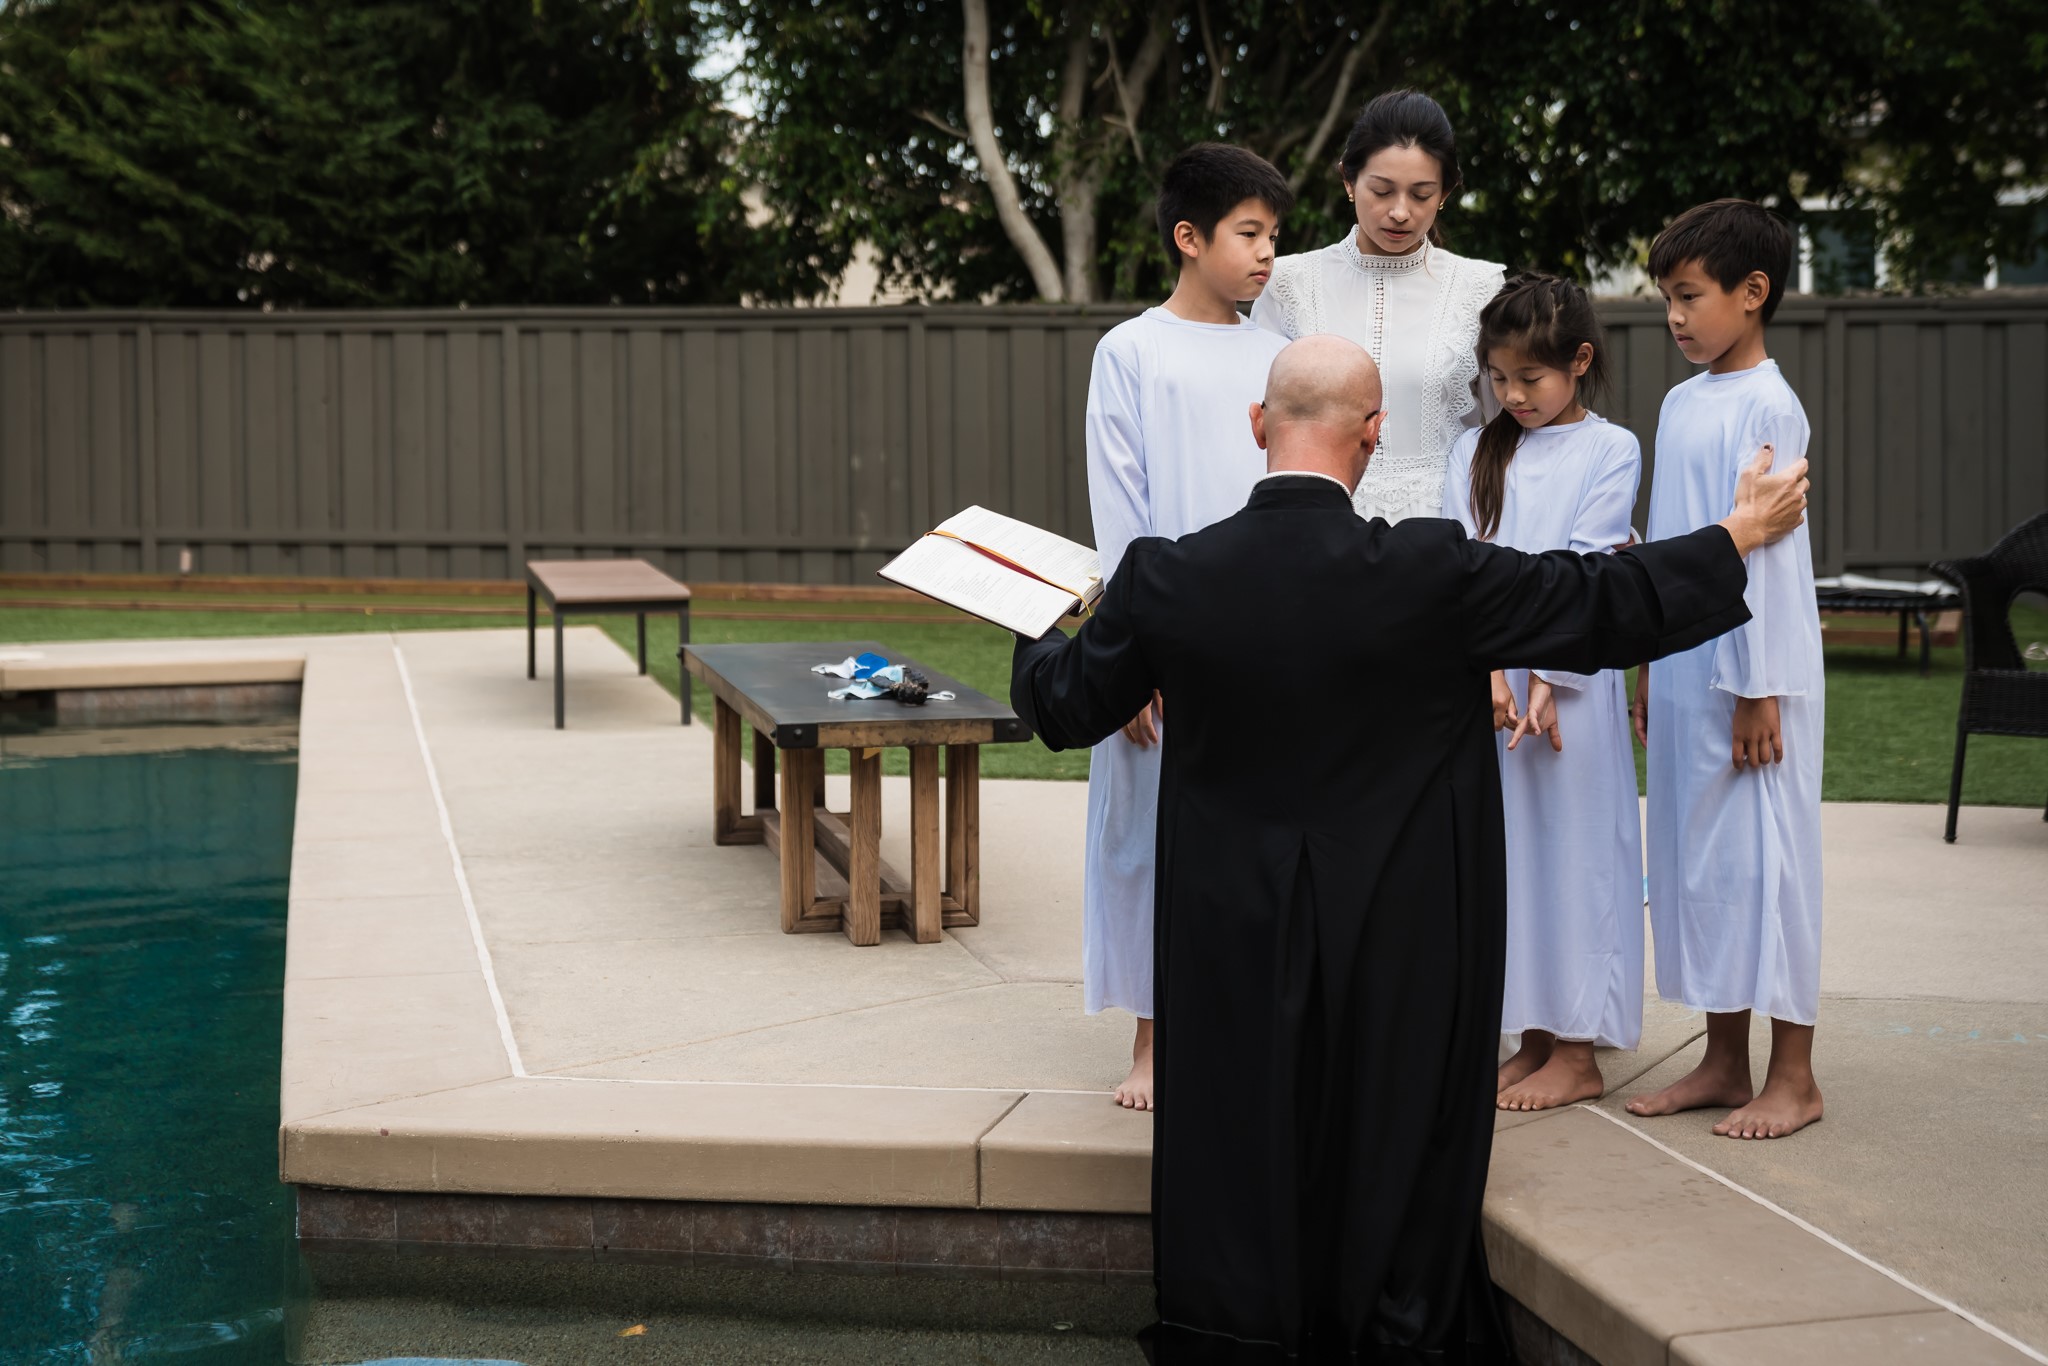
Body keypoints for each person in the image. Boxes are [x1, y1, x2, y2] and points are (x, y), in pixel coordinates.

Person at [1011, 333, 1811, 1362]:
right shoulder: (1430, 570)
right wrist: (1736, 534)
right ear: (1373, 433)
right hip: (1401, 924)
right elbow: (1597, 602)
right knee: (1391, 1120)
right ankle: (1397, 1321)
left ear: (1257, 427)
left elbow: (1064, 705)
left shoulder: (1167, 575)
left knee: (1238, 1123)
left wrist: (1029, 619)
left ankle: (1234, 1322)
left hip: (1230, 923)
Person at [1081, 143, 1293, 1112]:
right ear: (1188, 237)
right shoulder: (1130, 352)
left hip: (1261, 636)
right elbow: (1120, 507)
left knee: (1258, 837)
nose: (1266, 253)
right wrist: (1139, 651)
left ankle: (1247, 1024)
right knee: (1146, 835)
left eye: (1274, 235)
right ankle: (1153, 1036)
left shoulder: (1276, 357)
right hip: (1160, 637)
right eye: (1249, 233)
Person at [1625, 200, 1827, 1141]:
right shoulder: (1681, 401)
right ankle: (1722, 1061)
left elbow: (1770, 557)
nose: (1675, 316)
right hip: (1685, 667)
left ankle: (1795, 1076)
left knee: (1768, 862)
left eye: (1689, 296)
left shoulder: (1768, 405)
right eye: (1666, 298)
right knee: (1703, 862)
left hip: (1753, 679)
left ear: (1753, 293)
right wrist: (1648, 659)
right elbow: (1675, 546)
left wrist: (1757, 687)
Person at [1442, 273, 1646, 1113]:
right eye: (1498, 378)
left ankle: (1577, 1049)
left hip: (1574, 689)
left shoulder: (1612, 449)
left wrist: (1552, 681)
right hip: (1494, 693)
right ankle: (1529, 1035)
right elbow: (1461, 564)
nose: (1513, 395)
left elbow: (1589, 567)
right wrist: (1492, 671)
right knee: (1511, 864)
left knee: (1577, 858)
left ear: (1580, 363)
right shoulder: (1473, 452)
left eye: (1530, 377)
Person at [1251, 89, 1503, 523]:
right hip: (1318, 525)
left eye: (1421, 194)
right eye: (1382, 191)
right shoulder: (1288, 283)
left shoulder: (1481, 288)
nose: (1400, 212)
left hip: (1448, 527)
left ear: (1445, 192)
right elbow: (1264, 425)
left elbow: (1504, 427)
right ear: (1348, 181)